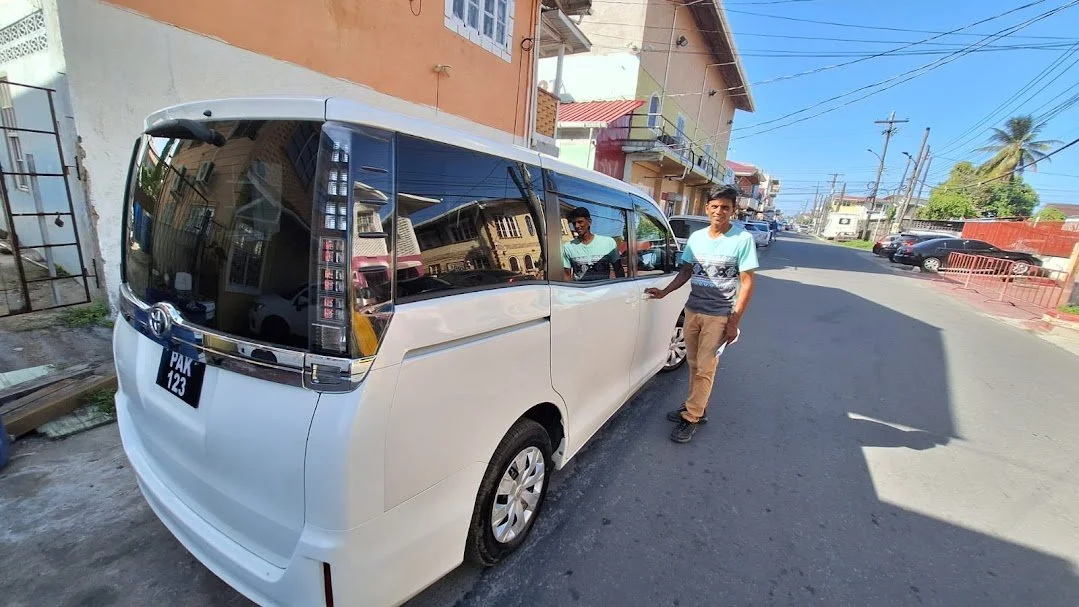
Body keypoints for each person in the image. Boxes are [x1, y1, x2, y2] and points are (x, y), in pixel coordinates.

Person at [645, 185, 758, 443]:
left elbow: (747, 282)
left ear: (733, 210)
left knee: (706, 368)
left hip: (719, 315)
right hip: (693, 309)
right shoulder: (696, 239)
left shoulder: (742, 240)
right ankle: (696, 406)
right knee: (694, 365)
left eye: (725, 207)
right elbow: (686, 272)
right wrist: (664, 292)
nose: (719, 211)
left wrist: (734, 322)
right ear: (707, 208)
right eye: (715, 206)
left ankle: (692, 416)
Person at [562, 206, 625, 281]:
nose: (576, 226)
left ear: (589, 222)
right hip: (580, 291)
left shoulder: (608, 243)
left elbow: (618, 270)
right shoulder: (568, 247)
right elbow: (566, 275)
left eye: (580, 222)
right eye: (574, 223)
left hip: (604, 290)